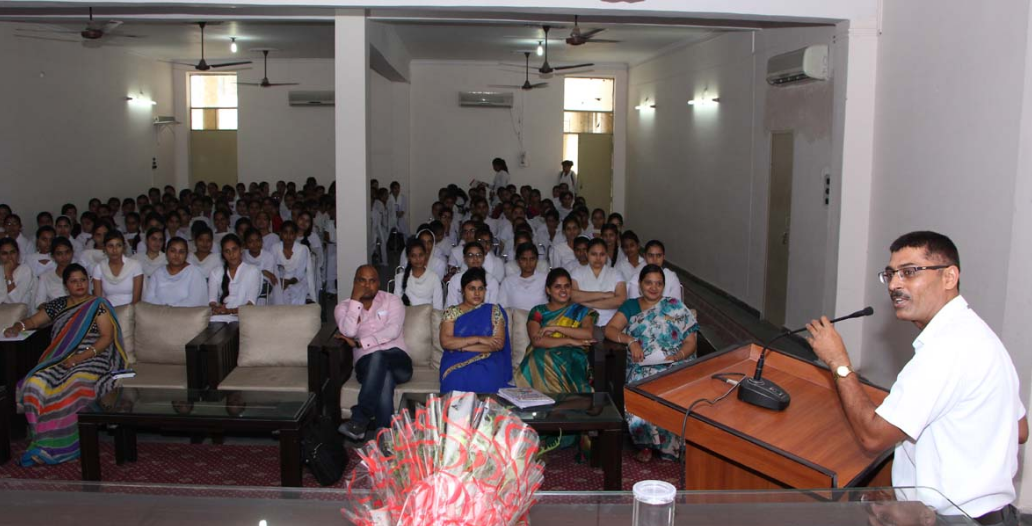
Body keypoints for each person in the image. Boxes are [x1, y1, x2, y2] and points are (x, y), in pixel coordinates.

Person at [804, 231, 1027, 523]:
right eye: (890, 274)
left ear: (949, 277)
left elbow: (873, 437)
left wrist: (838, 362)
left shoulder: (946, 351)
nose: (895, 284)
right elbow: (1019, 430)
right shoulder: (978, 334)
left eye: (909, 273)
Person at [5, 263, 128, 466]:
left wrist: (80, 358)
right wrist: (18, 325)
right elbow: (34, 321)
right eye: (74, 281)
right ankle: (41, 441)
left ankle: (62, 446)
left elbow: (106, 337)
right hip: (61, 358)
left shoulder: (98, 304)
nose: (79, 284)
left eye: (82, 280)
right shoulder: (59, 305)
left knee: (75, 384)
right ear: (66, 285)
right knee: (35, 383)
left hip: (93, 358)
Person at [605, 264, 699, 462]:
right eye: (648, 283)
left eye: (658, 284)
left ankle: (677, 446)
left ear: (664, 286)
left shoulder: (675, 306)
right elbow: (610, 329)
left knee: (680, 390)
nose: (653, 288)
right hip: (642, 366)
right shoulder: (630, 306)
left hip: (674, 363)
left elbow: (691, 341)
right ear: (640, 285)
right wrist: (631, 342)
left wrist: (679, 356)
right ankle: (646, 444)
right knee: (640, 392)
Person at [335, 265, 412, 440]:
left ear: (379, 283)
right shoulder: (343, 307)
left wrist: (361, 343)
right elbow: (348, 331)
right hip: (367, 366)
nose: (367, 285)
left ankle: (360, 419)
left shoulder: (392, 301)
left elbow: (392, 330)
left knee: (379, 357)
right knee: (384, 377)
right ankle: (385, 436)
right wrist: (355, 300)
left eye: (372, 281)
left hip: (398, 360)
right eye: (362, 280)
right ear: (355, 282)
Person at [516, 267, 597, 393]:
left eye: (567, 286)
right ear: (548, 290)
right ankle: (545, 405)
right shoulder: (538, 311)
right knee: (539, 356)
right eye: (557, 286)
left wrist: (556, 328)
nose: (563, 290)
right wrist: (570, 340)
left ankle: (564, 404)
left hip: (573, 354)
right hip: (545, 353)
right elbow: (537, 340)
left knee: (566, 358)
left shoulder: (581, 311)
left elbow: (587, 333)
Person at [439, 267, 512, 393]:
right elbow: (446, 342)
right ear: (463, 290)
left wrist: (463, 347)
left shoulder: (494, 311)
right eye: (472, 288)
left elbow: (498, 344)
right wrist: (479, 339)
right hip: (455, 360)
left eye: (481, 288)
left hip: (489, 359)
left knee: (486, 377)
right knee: (455, 379)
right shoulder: (451, 312)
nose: (477, 293)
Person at [571, 238, 627, 326]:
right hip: (584, 322)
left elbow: (620, 300)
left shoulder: (616, 273)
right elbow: (573, 296)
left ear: (607, 255)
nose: (598, 258)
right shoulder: (576, 272)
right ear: (586, 254)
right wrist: (604, 295)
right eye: (594, 254)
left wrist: (588, 304)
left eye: (602, 254)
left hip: (611, 324)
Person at [208, 234, 261, 322]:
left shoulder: (252, 270)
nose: (231, 254)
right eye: (227, 251)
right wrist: (216, 309)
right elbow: (212, 302)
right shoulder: (215, 272)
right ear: (223, 254)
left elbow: (250, 304)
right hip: (221, 317)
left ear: (241, 249)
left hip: (244, 318)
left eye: (234, 249)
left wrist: (229, 311)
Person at [142, 237, 208, 307]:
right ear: (166, 252)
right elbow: (149, 299)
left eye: (181, 252)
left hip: (187, 316)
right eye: (173, 251)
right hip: (159, 315)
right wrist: (165, 309)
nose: (177, 255)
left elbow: (195, 302)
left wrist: (170, 309)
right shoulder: (157, 273)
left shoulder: (195, 273)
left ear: (187, 254)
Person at [91, 230, 143, 307]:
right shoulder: (99, 268)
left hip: (131, 310)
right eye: (110, 246)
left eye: (118, 245)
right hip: (108, 312)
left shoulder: (135, 265)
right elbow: (98, 300)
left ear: (124, 247)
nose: (114, 250)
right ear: (104, 248)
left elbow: (136, 301)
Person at [393, 239, 444, 309]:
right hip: (406, 317)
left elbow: (438, 307)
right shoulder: (400, 278)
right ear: (408, 258)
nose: (418, 259)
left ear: (425, 255)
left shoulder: (434, 278)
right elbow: (396, 306)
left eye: (421, 255)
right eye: (413, 256)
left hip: (428, 318)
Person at [272, 221, 313, 305]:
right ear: (280, 234)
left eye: (291, 233)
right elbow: (272, 269)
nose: (288, 236)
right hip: (279, 282)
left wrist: (288, 282)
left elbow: (300, 274)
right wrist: (281, 282)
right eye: (285, 233)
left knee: (297, 294)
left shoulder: (302, 249)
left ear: (295, 235)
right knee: (277, 294)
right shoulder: (275, 248)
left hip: (297, 282)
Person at [446, 242, 499, 307]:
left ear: (484, 258)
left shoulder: (492, 281)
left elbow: (492, 308)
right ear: (464, 258)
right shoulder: (455, 279)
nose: (475, 258)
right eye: (470, 255)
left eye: (479, 255)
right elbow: (451, 305)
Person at [498, 243, 547, 311]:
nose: (528, 263)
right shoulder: (508, 282)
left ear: (537, 260)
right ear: (518, 261)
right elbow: (501, 307)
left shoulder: (545, 279)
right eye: (524, 259)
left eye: (532, 259)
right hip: (515, 320)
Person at [34, 237, 73, 309]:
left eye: (67, 252)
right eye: (59, 254)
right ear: (53, 256)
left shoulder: (80, 273)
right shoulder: (45, 277)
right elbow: (40, 303)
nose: (64, 257)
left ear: (72, 253)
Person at [243, 227, 279, 306]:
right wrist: (263, 271)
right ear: (245, 244)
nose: (255, 244)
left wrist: (260, 273)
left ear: (262, 242)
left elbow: (267, 278)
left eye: (258, 241)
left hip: (263, 289)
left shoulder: (268, 256)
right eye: (250, 241)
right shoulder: (242, 256)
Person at [1, 237, 35, 305]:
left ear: (18, 253)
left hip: (18, 313)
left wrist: (8, 274)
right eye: (5, 253)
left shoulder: (25, 269)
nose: (9, 257)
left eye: (12, 252)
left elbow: (15, 300)